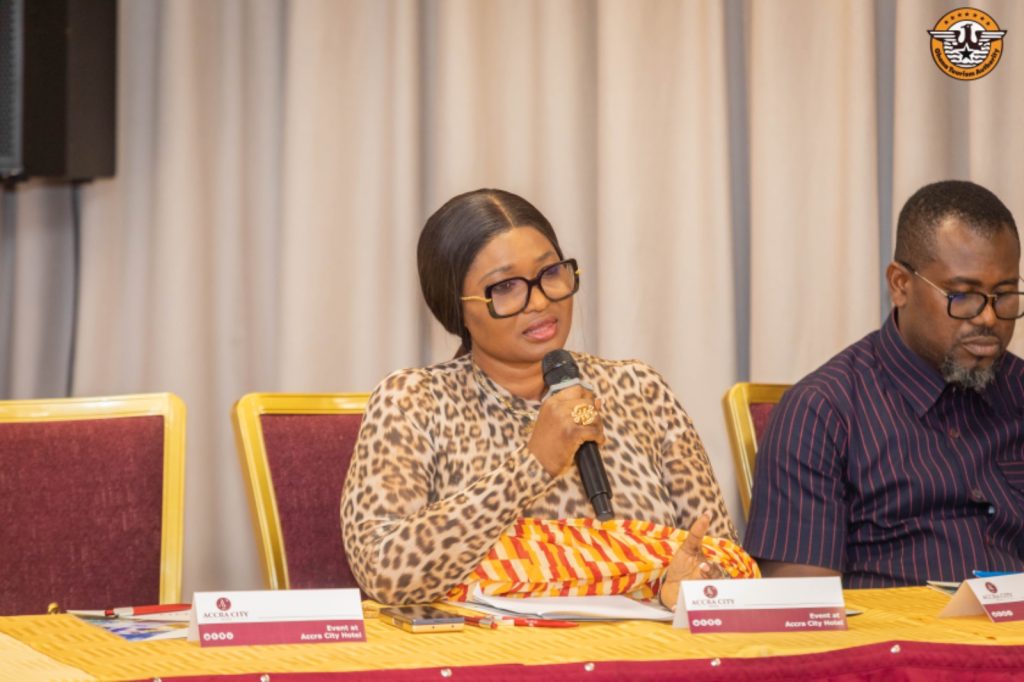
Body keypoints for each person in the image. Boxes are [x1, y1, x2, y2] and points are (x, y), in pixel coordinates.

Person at [341, 188, 749, 606]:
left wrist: (688, 588)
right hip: (491, 647)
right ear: (455, 307)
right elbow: (384, 573)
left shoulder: (640, 390)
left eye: (550, 273)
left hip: (641, 643)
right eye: (504, 287)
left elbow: (724, 556)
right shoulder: (413, 401)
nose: (539, 301)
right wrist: (534, 464)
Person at [745, 179, 1024, 587]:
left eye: (1004, 294)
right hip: (895, 627)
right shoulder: (822, 412)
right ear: (900, 285)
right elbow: (801, 608)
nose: (988, 318)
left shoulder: (1018, 390)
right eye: (962, 295)